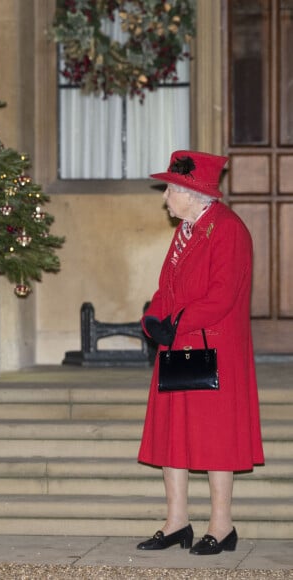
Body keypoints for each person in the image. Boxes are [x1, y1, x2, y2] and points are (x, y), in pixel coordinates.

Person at [136, 150, 264, 556]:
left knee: (215, 439)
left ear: (193, 191)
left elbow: (222, 296)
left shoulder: (227, 229)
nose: (165, 197)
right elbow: (166, 288)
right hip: (180, 344)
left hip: (214, 350)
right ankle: (177, 523)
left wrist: (178, 322)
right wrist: (154, 318)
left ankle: (221, 526)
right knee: (174, 436)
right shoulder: (188, 229)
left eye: (171, 188)